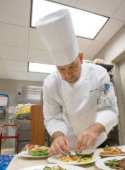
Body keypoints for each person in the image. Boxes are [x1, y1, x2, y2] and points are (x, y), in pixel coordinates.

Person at [36, 9, 119, 155]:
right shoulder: (50, 83)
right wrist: (58, 136)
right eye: (61, 69)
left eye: (72, 67)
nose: (67, 75)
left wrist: (94, 130)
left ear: (80, 58)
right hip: (67, 145)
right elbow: (51, 117)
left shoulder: (99, 74)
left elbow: (110, 110)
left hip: (98, 141)